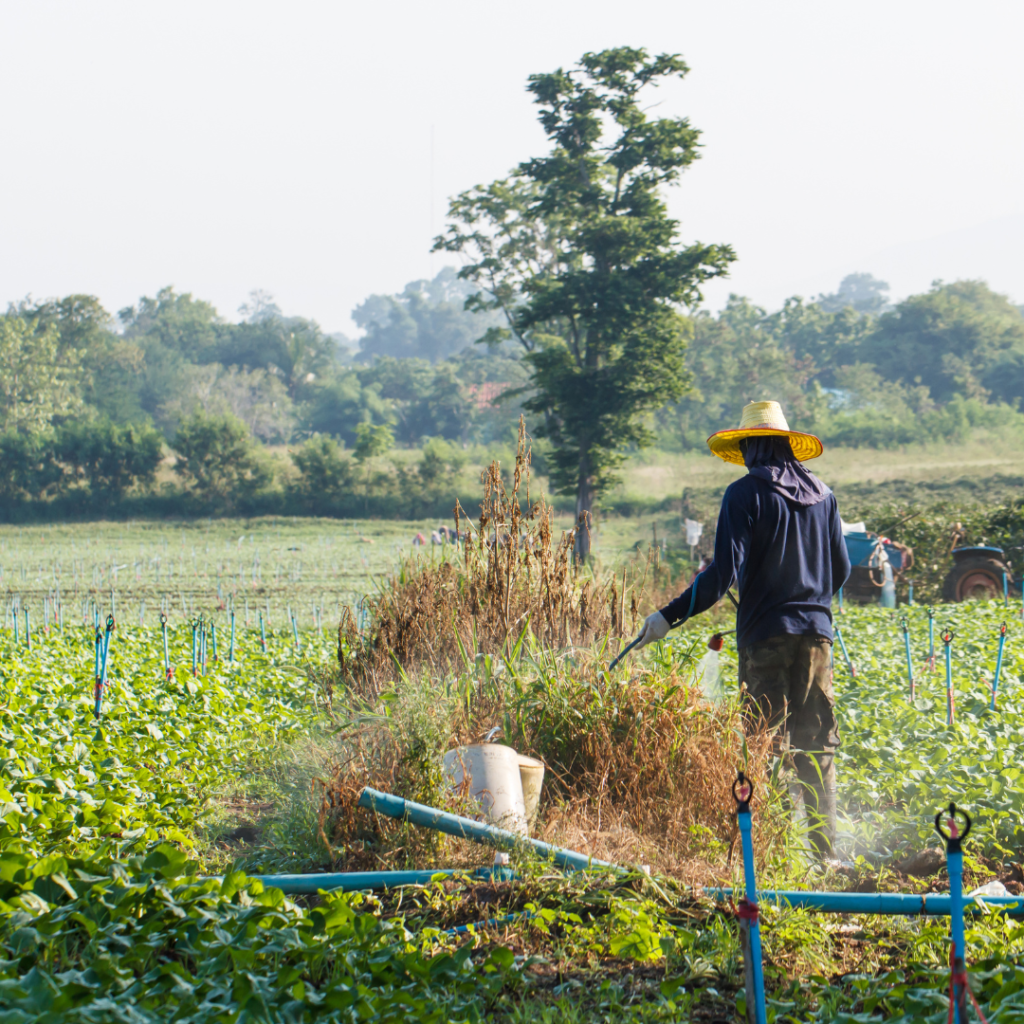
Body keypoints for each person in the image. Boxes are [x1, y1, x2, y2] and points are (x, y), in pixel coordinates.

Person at [634, 401, 851, 857]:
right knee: (816, 744)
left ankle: (764, 853)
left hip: (764, 636)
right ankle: (825, 855)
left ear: (751, 446)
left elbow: (719, 578)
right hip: (817, 635)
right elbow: (841, 570)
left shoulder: (744, 495)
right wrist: (808, 600)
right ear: (788, 446)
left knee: (761, 744)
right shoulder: (825, 496)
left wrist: (666, 617)